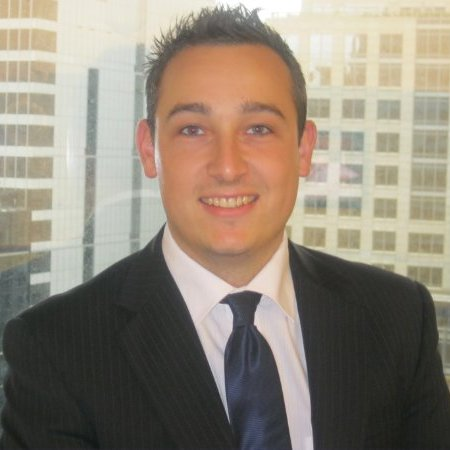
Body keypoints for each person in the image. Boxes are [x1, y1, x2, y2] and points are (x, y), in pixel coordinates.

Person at [1, 5, 449, 449]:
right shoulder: (56, 349)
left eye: (258, 129)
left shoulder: (397, 318)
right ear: (149, 150)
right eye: (193, 130)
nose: (228, 166)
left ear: (303, 149)